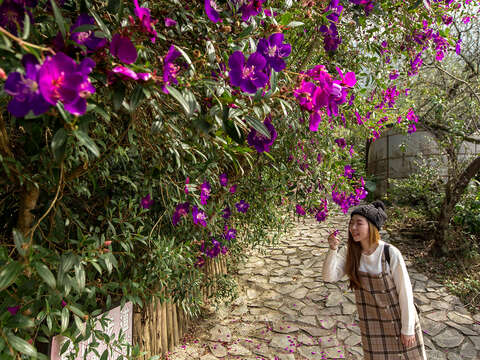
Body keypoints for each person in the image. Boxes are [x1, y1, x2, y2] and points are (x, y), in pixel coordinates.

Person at [322, 200, 427, 360]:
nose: (353, 228)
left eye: (359, 223)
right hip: (372, 325)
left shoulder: (390, 253)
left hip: (397, 320)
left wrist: (408, 328)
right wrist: (333, 249)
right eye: (351, 223)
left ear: (371, 226)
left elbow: (405, 293)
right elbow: (329, 277)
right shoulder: (349, 252)